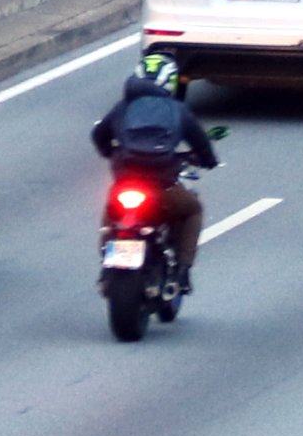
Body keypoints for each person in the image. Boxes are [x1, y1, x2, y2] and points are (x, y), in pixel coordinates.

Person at [90, 53, 216, 282]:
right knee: (192, 210)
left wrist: (110, 152)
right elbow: (200, 141)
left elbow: (99, 135)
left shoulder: (123, 107)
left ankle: (106, 261)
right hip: (163, 183)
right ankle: (183, 269)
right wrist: (208, 160)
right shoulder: (177, 109)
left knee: (112, 211)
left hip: (126, 180)